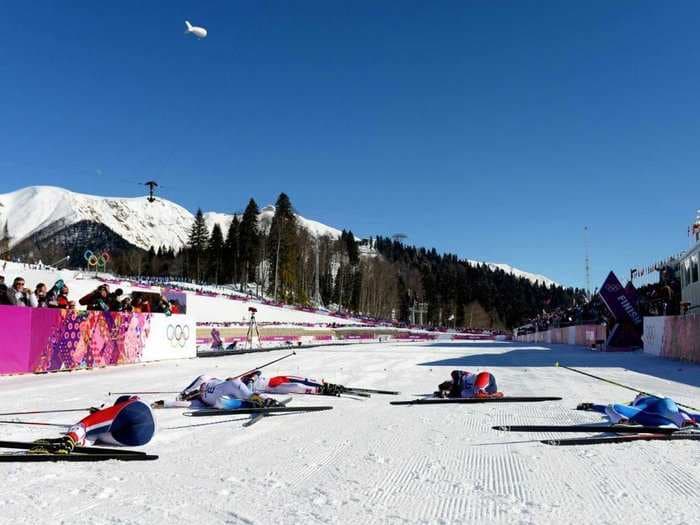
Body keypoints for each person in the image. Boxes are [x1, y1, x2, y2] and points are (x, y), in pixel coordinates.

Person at [30, 396, 155, 454]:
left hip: (130, 421)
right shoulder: (139, 401)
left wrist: (71, 435)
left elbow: (88, 423)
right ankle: (79, 441)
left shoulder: (124, 406)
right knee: (100, 430)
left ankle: (70, 440)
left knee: (90, 427)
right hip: (147, 436)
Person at [152, 375, 282, 409]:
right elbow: (181, 404)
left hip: (231, 386)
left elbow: (201, 378)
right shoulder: (199, 402)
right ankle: (253, 403)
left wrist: (186, 392)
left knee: (242, 390)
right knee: (221, 403)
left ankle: (265, 400)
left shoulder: (207, 379)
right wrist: (164, 403)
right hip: (225, 399)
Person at [578, 394, 700, 428]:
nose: (638, 395)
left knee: (612, 407)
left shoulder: (636, 403)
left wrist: (592, 405)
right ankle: (683, 421)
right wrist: (592, 406)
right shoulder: (635, 405)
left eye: (638, 395)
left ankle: (621, 420)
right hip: (663, 415)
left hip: (648, 414)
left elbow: (606, 409)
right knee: (672, 411)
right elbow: (691, 414)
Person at [241, 371, 346, 396]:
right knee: (297, 387)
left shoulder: (245, 377)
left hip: (275, 379)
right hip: (272, 387)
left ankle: (323, 384)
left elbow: (258, 372)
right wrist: (250, 382)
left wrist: (253, 377)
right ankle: (320, 390)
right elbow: (248, 393)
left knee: (300, 379)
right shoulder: (242, 386)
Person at [436, 370, 501, 398]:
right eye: (448, 388)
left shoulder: (457, 376)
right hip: (490, 389)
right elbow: (460, 394)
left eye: (448, 385)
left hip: (487, 378)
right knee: (475, 394)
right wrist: (446, 395)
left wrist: (449, 394)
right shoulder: (463, 391)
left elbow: (455, 372)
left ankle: (483, 392)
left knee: (478, 385)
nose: (450, 387)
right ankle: (490, 394)